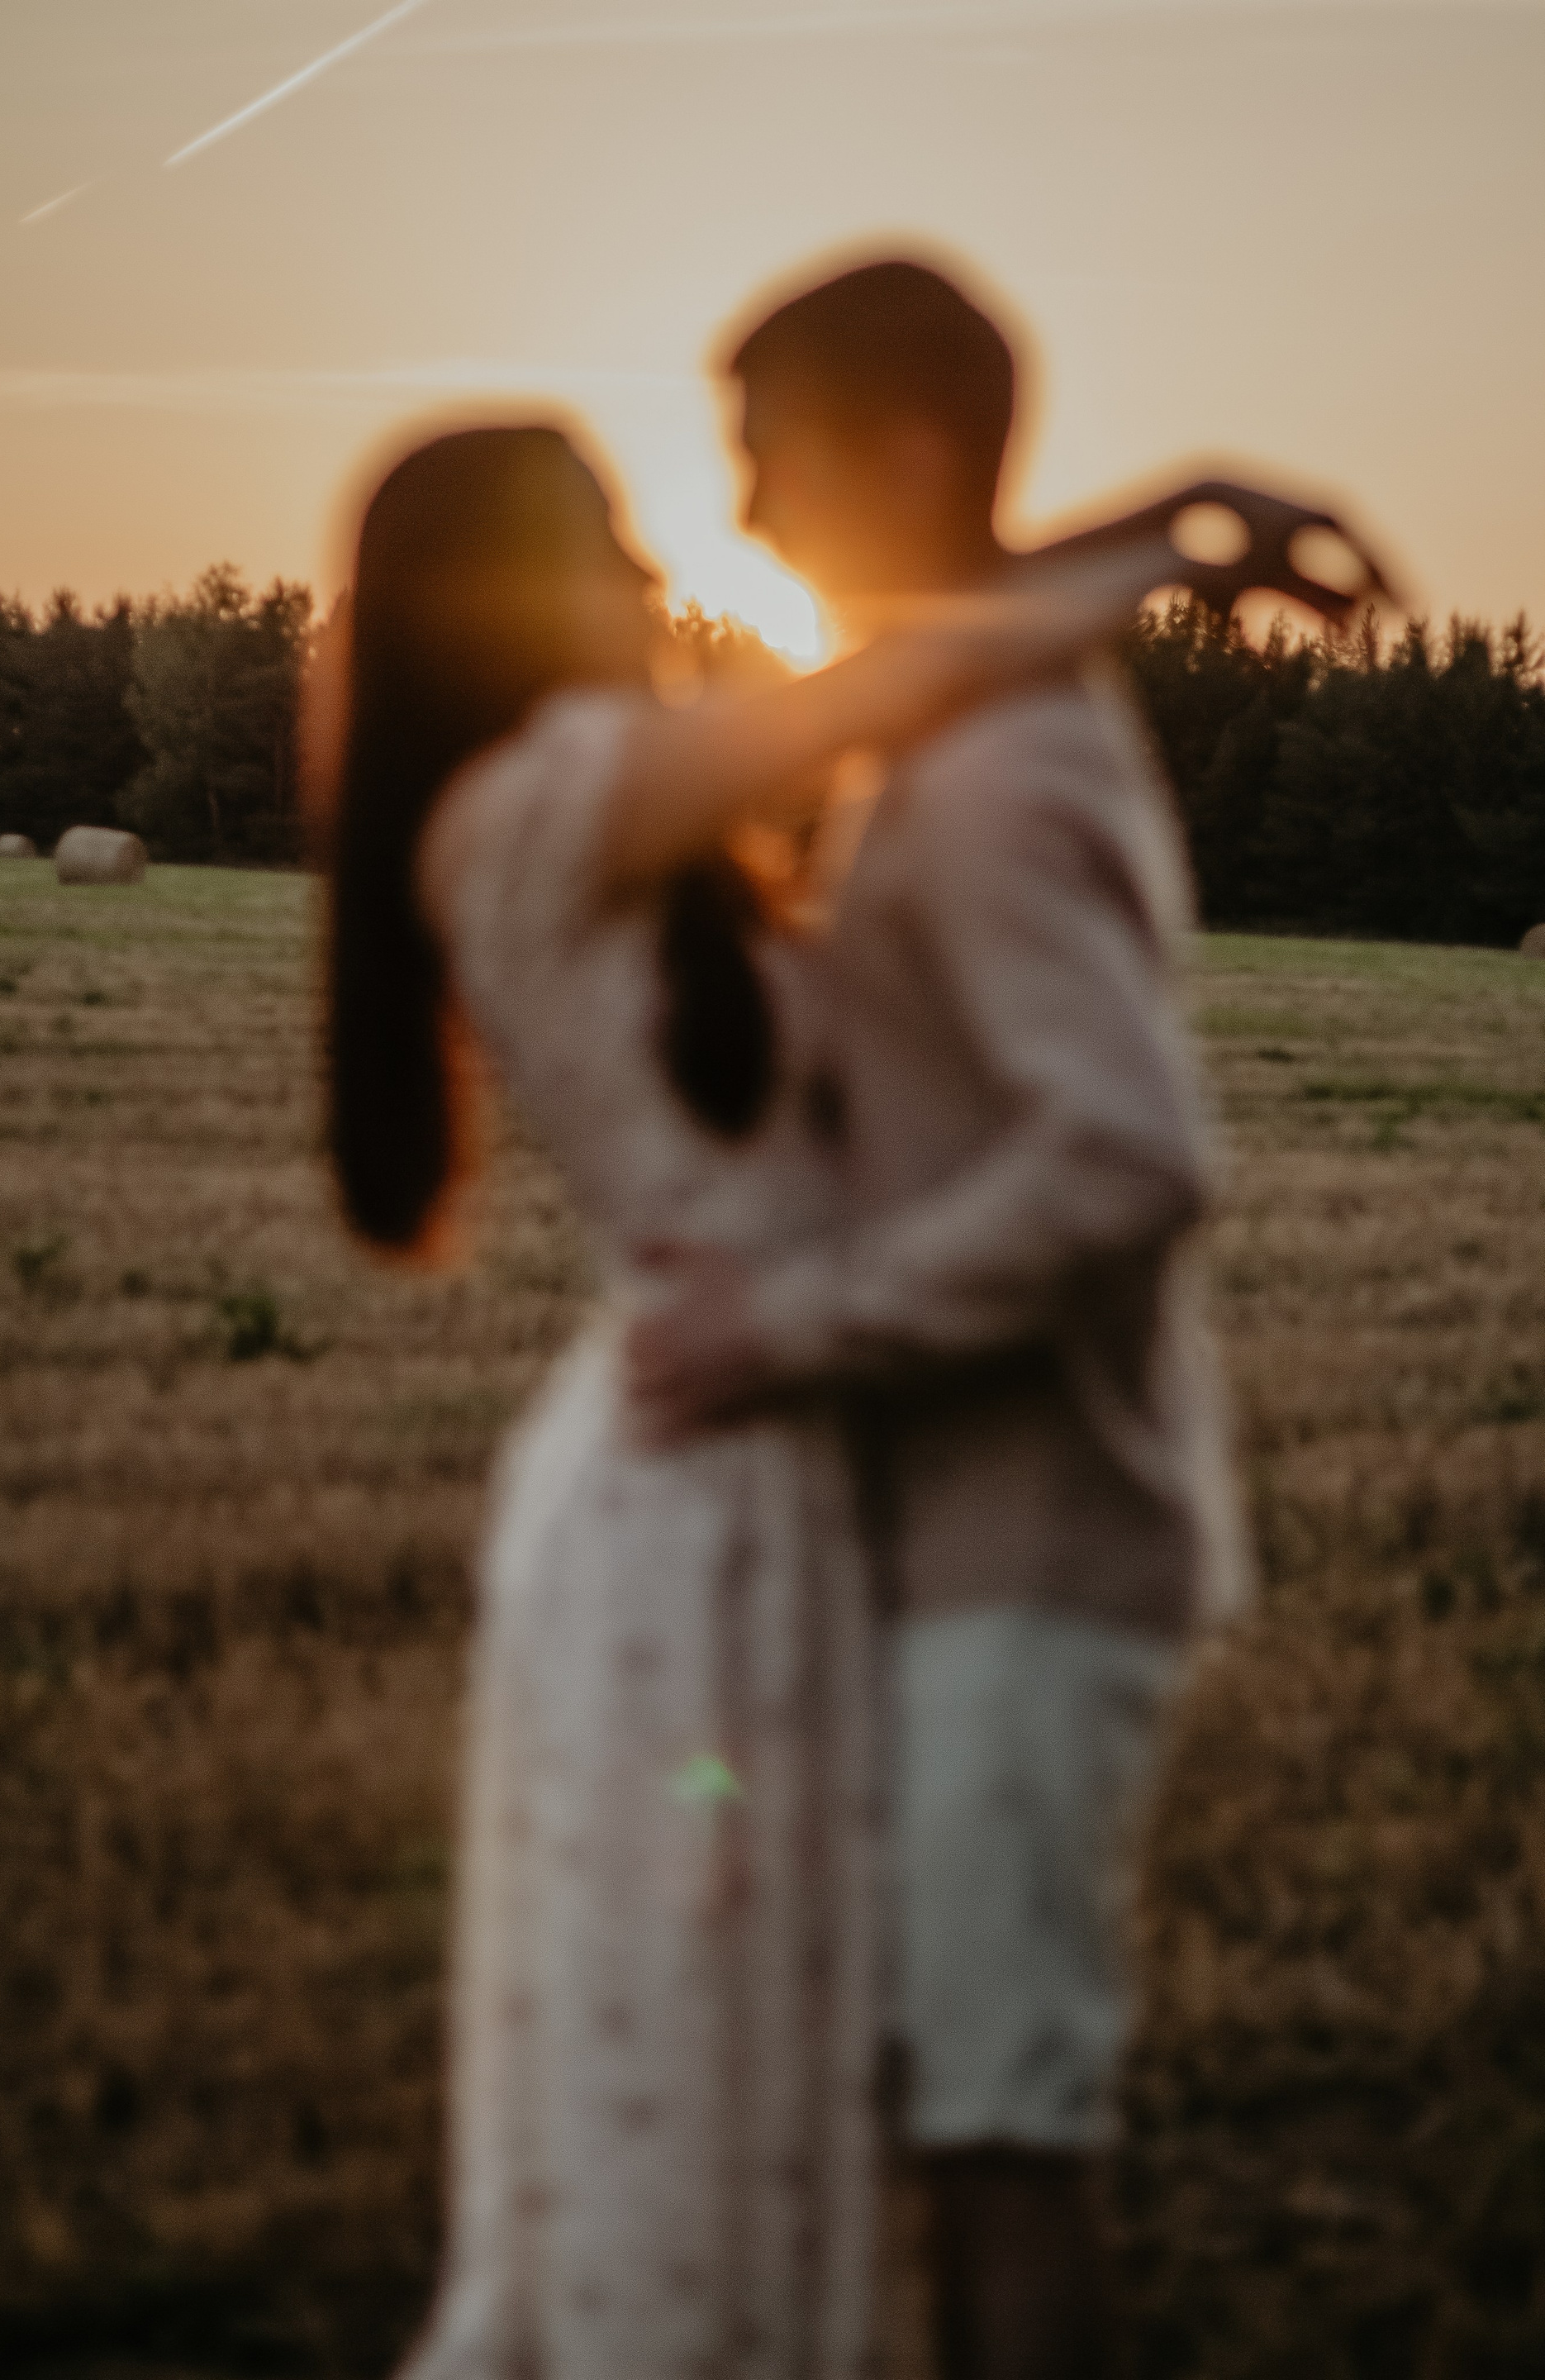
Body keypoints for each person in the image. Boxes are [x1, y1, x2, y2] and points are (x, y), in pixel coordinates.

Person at [307, 420, 1249, 2380]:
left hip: (767, 1489)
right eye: (604, 544)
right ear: (496, 601)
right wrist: (1172, 531)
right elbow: (893, 675)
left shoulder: (632, 834)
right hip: (692, 1517)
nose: (655, 574)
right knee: (688, 2077)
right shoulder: (533, 803)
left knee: (769, 2069)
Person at [627, 258, 1389, 2380]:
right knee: (958, 2128)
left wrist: (799, 1322)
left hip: (1031, 1562)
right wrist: (1172, 521)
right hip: (977, 1553)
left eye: (769, 461)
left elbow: (1126, 1158)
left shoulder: (984, 780)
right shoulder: (968, 725)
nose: (746, 516)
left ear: (897, 454)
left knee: (998, 2146)